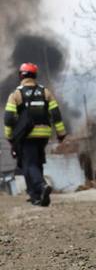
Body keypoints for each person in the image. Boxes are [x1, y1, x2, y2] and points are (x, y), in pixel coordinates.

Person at [4, 62, 66, 207]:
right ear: (35, 76)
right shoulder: (45, 92)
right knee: (36, 163)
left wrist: (10, 136)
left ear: (21, 76)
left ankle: (41, 186)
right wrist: (61, 132)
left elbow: (8, 118)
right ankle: (38, 196)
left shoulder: (16, 94)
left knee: (29, 164)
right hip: (44, 134)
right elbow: (56, 114)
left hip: (27, 135)